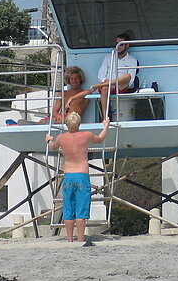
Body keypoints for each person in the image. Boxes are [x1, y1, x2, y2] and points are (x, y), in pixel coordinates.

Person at [45, 112, 110, 243]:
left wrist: (48, 139)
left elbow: (53, 147)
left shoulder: (62, 138)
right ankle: (81, 239)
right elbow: (100, 139)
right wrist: (106, 126)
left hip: (68, 175)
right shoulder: (86, 135)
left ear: (67, 124)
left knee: (68, 207)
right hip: (82, 174)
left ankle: (70, 239)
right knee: (81, 208)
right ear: (79, 124)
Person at [89, 33, 139, 118]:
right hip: (107, 85)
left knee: (127, 76)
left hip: (121, 86)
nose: (118, 47)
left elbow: (130, 80)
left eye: (121, 44)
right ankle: (105, 118)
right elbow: (101, 75)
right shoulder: (108, 57)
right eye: (117, 44)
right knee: (104, 88)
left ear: (127, 45)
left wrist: (115, 84)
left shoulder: (132, 60)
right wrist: (107, 81)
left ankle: (99, 85)